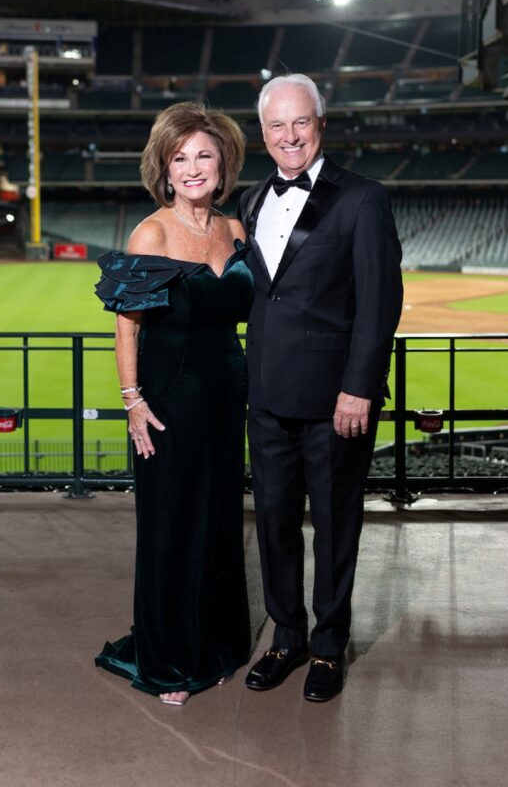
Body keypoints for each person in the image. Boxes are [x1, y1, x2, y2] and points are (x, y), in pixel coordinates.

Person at [237, 73, 403, 703]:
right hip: (266, 396)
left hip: (338, 401)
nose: (289, 136)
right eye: (277, 125)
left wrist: (360, 387)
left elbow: (380, 302)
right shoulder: (252, 200)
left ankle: (329, 647)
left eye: (299, 122)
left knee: (335, 525)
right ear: (264, 133)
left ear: (320, 124)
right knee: (275, 522)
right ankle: (287, 638)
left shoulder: (363, 199)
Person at [94, 102, 252, 706]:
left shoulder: (235, 229)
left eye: (203, 155)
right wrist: (132, 401)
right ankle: (169, 660)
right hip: (168, 404)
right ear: (163, 169)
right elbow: (127, 328)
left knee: (217, 524)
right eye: (179, 158)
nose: (192, 168)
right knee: (170, 529)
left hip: (226, 397)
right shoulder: (152, 232)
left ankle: (216, 645)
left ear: (223, 163)